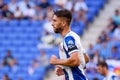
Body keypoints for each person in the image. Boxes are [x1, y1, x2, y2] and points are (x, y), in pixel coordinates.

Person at [50, 9, 89, 80]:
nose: (52, 24)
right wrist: (66, 70)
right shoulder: (74, 36)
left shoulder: (69, 39)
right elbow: (85, 59)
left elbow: (75, 61)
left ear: (63, 23)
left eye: (55, 21)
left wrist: (56, 61)